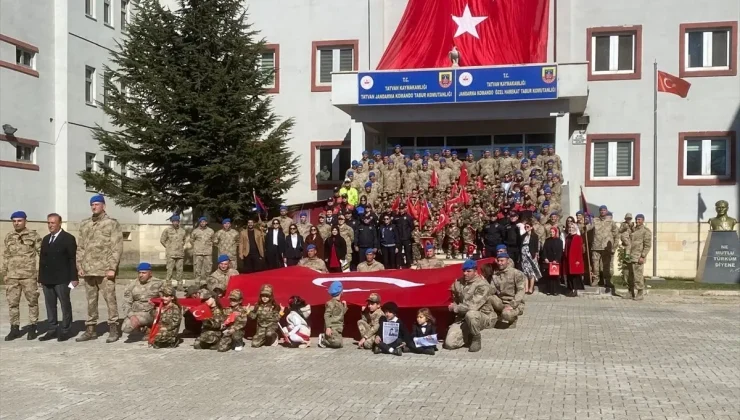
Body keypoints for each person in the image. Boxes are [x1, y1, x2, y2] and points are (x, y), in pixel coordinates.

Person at [76, 195, 124, 343]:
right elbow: (81, 247)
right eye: (92, 205)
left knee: (110, 300)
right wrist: (80, 266)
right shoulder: (85, 224)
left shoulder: (111, 224)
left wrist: (112, 268)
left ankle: (114, 328)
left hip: (105, 270)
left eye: (97, 204)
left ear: (104, 206)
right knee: (91, 301)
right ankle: (91, 329)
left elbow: (117, 247)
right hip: (89, 269)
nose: (94, 207)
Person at [2, 210, 42, 341]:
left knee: (32, 302)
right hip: (12, 276)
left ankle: (32, 327)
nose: (16, 223)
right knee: (12, 303)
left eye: (19, 221)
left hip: (28, 276)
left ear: (25, 221)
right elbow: (6, 256)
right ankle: (14, 328)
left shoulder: (33, 235)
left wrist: (42, 272)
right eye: (14, 221)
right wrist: (4, 273)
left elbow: (41, 254)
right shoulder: (9, 236)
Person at [38, 213, 77, 342]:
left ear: (59, 223)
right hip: (47, 278)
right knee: (50, 305)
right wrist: (40, 278)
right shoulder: (45, 239)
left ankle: (66, 329)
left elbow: (72, 259)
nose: (50, 225)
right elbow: (42, 260)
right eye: (48, 223)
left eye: (53, 223)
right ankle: (52, 329)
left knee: (64, 304)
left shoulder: (68, 238)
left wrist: (74, 278)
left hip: (62, 278)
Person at [443, 259, 492, 353]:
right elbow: (452, 297)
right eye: (464, 271)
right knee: (449, 344)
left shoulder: (482, 285)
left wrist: (456, 308)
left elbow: (473, 306)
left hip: (481, 316)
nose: (465, 273)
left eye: (468, 271)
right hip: (462, 317)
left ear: (475, 271)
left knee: (471, 314)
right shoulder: (458, 282)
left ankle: (476, 338)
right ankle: (467, 334)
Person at [121, 262, 163, 338]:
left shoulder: (159, 283)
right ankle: (144, 328)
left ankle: (153, 328)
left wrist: (158, 307)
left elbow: (167, 299)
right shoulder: (132, 285)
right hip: (137, 313)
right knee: (126, 328)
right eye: (139, 273)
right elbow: (126, 303)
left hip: (153, 313)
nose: (141, 275)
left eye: (144, 273)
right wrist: (132, 316)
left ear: (150, 273)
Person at [588, 205, 619, 293]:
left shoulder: (611, 222)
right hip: (596, 246)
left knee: (606, 266)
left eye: (604, 210)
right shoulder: (595, 220)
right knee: (595, 265)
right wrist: (582, 227)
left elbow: (616, 234)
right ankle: (596, 279)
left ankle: (607, 280)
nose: (602, 212)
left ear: (606, 211)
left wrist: (614, 246)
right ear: (599, 212)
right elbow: (588, 227)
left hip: (606, 248)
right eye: (601, 210)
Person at [490, 254, 526, 328]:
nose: (500, 263)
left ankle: (513, 319)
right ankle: (496, 316)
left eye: (502, 261)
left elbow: (521, 291)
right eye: (498, 261)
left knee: (506, 314)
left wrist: (512, 305)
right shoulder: (495, 274)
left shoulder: (516, 273)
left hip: (514, 302)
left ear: (508, 261)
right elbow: (491, 290)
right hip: (501, 302)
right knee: (488, 298)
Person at [626, 214, 652, 301]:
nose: (637, 221)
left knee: (638, 276)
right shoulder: (633, 230)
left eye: (639, 219)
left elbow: (647, 246)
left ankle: (640, 293)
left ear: (643, 220)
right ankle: (630, 292)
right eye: (637, 219)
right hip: (630, 256)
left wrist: (643, 256)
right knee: (629, 276)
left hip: (638, 257)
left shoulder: (646, 231)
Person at [160, 214, 187, 288]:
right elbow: (162, 240)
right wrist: (168, 247)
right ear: (172, 222)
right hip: (170, 254)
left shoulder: (182, 231)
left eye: (177, 221)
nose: (175, 222)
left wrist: (180, 246)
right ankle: (168, 285)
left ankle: (180, 285)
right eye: (174, 221)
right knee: (169, 270)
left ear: (179, 222)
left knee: (180, 270)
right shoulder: (167, 230)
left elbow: (184, 240)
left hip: (180, 254)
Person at [319, 281, 346, 349]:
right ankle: (323, 339)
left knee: (340, 344)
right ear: (340, 291)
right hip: (332, 328)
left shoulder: (339, 303)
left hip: (338, 329)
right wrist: (328, 327)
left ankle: (329, 339)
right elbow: (327, 315)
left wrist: (344, 306)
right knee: (337, 344)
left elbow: (340, 315)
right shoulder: (330, 303)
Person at [540, 227, 564, 296]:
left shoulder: (560, 241)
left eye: (553, 232)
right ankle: (549, 290)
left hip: (555, 261)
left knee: (555, 276)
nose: (551, 233)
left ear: (556, 232)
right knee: (548, 276)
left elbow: (560, 252)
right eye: (551, 232)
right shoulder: (547, 240)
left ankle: (556, 291)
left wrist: (556, 260)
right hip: (548, 260)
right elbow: (544, 250)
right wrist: (545, 258)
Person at [191, 217, 215, 284]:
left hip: (208, 253)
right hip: (198, 253)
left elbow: (214, 240)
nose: (203, 223)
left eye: (204, 221)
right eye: (201, 222)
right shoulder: (195, 231)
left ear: (206, 222)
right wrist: (196, 247)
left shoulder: (211, 231)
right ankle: (197, 282)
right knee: (197, 268)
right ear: (199, 222)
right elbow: (191, 240)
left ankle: (208, 283)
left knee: (208, 268)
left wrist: (209, 246)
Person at [520, 219, 541, 295]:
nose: (526, 228)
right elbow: (521, 245)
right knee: (525, 272)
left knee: (531, 272)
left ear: (531, 227)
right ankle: (526, 288)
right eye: (525, 227)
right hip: (524, 256)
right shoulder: (523, 236)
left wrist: (536, 255)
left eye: (528, 227)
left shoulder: (535, 236)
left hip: (531, 255)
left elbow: (536, 247)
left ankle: (531, 288)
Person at [563, 224, 585, 297]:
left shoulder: (578, 238)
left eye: (572, 228)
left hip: (575, 260)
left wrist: (578, 260)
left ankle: (575, 290)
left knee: (575, 276)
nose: (571, 229)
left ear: (576, 229)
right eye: (570, 227)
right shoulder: (568, 237)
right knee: (569, 275)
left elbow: (579, 250)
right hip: (568, 259)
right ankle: (570, 289)